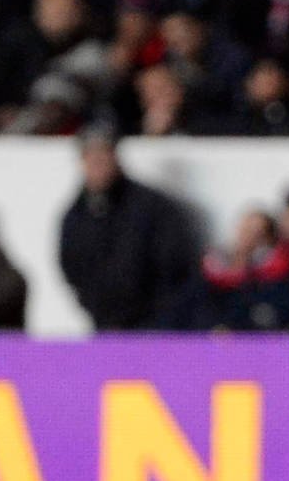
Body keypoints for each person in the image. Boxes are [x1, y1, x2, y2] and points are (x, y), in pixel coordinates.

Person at [57, 127, 199, 330]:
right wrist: (96, 306)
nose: (98, 163)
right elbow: (71, 266)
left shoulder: (152, 207)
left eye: (103, 155)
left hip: (154, 327)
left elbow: (175, 265)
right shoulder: (76, 215)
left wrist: (159, 315)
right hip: (105, 324)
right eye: (91, 157)